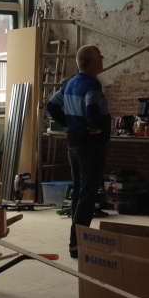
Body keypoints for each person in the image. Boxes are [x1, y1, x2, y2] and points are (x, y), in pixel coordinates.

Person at [45, 44, 111, 259]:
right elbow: (92, 111)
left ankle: (76, 241)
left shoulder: (70, 83)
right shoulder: (92, 84)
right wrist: (97, 126)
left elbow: (51, 106)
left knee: (79, 194)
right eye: (99, 55)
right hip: (91, 147)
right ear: (92, 62)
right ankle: (77, 243)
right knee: (87, 196)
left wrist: (69, 124)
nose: (102, 57)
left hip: (74, 145)